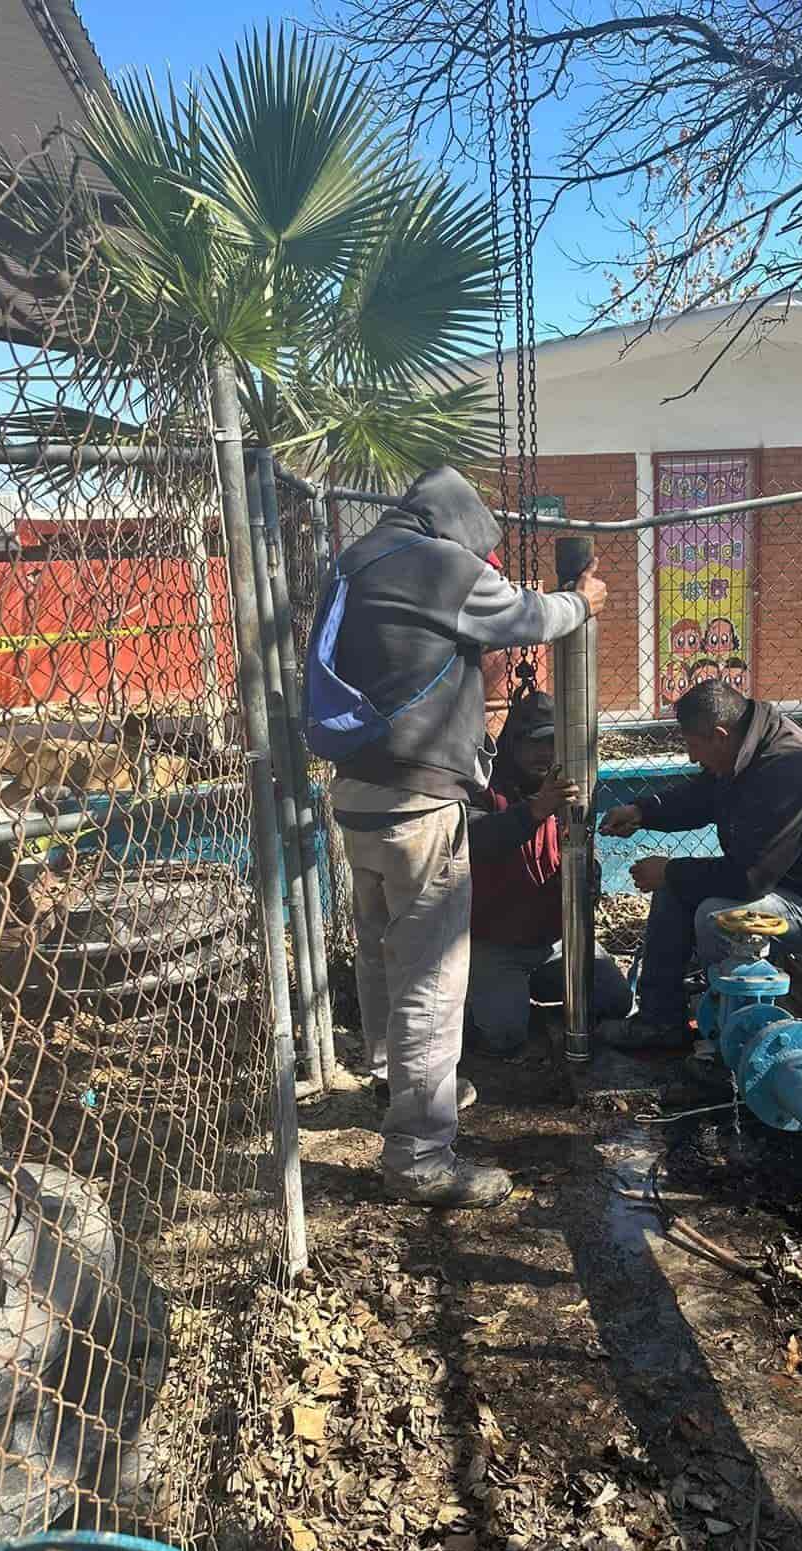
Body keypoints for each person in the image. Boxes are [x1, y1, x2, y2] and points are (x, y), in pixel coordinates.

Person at [321, 466, 607, 1208]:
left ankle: (397, 1079)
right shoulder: (439, 563)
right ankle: (418, 1155)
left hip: (358, 794)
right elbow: (529, 618)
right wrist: (581, 601)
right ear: (461, 531)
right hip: (419, 803)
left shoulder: (358, 559)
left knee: (384, 948)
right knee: (433, 981)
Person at [597, 680, 802, 1050]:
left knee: (716, 916)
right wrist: (643, 811)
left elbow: (750, 879)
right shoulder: (746, 749)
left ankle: (732, 1046)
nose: (690, 757)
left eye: (692, 745)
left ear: (720, 735)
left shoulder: (784, 770)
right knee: (678, 890)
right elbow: (702, 796)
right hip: (790, 885)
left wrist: (670, 869)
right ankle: (660, 1024)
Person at [466, 691, 632, 1054]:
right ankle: (477, 997)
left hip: (555, 944)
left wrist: (590, 877)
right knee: (503, 1039)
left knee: (615, 1000)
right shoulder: (485, 792)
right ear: (512, 745)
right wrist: (534, 811)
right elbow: (476, 841)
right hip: (495, 944)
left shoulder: (571, 793)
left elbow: (579, 859)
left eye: (553, 743)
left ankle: (524, 998)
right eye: (534, 743)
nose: (545, 753)